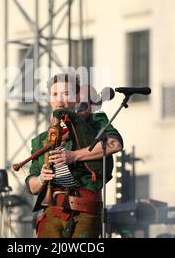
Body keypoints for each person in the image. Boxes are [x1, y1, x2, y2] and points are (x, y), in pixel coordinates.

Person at [25, 73, 123, 238]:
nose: (60, 99)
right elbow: (32, 186)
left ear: (76, 97)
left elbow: (115, 144)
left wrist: (74, 156)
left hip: (85, 211)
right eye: (55, 94)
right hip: (53, 210)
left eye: (66, 93)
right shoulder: (41, 140)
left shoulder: (94, 121)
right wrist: (42, 178)